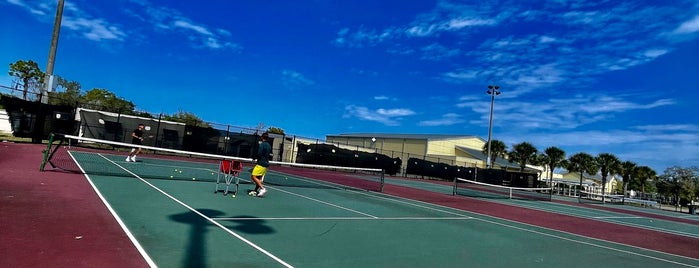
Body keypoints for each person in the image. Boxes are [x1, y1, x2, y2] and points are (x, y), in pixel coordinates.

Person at [250, 132, 271, 197]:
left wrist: (254, 158)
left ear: (262, 137)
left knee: (253, 176)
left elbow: (259, 154)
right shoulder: (269, 145)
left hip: (261, 163)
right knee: (259, 178)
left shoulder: (262, 145)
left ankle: (262, 188)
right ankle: (255, 191)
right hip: (266, 164)